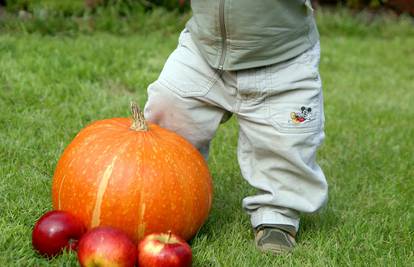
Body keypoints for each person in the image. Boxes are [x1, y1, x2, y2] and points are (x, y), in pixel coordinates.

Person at [144, 0, 328, 254]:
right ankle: (165, 194)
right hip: (203, 51)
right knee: (170, 108)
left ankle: (278, 213)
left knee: (284, 142)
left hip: (282, 59)